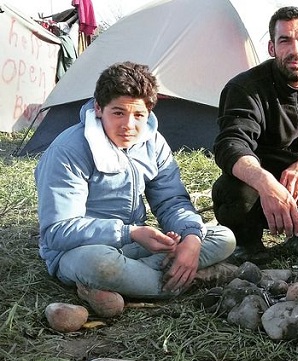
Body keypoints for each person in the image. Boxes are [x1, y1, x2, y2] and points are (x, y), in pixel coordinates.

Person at [35, 62, 237, 318]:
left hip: (136, 244)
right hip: (82, 250)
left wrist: (191, 239)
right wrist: (129, 232)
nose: (129, 125)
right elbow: (57, 231)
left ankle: (127, 282)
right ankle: (186, 280)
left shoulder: (153, 142)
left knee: (223, 238)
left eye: (138, 115)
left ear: (149, 111)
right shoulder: (68, 151)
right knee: (100, 265)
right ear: (99, 108)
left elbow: (171, 201)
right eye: (118, 113)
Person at [212, 6, 298, 262]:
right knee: (231, 189)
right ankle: (249, 248)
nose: (295, 50)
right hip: (260, 186)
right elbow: (230, 145)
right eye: (285, 40)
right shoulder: (245, 88)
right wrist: (265, 183)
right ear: (272, 48)